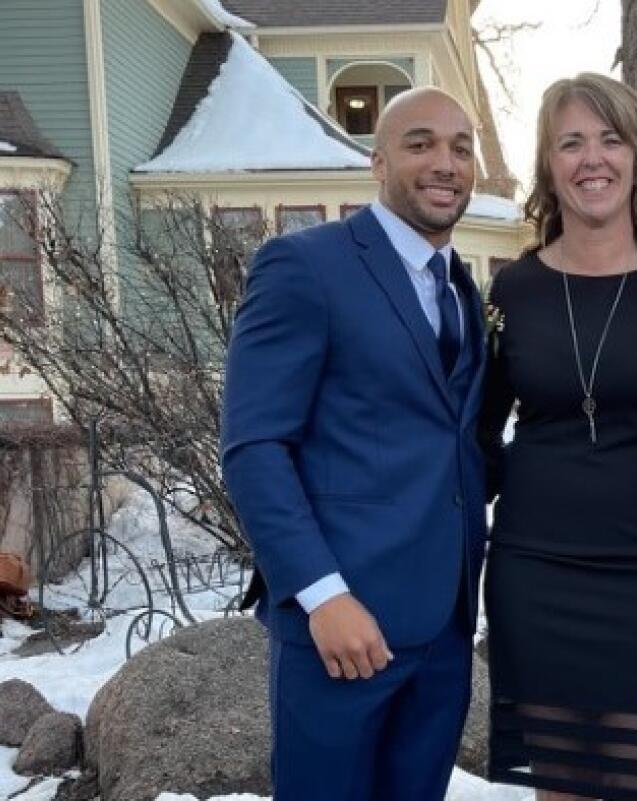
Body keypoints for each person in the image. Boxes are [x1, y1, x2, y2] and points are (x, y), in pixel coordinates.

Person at [477, 73, 637, 801]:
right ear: (549, 165)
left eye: (610, 138)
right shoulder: (515, 290)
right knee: (560, 782)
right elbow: (475, 435)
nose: (592, 158)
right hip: (537, 569)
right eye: (571, 142)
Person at [221, 87, 487, 801]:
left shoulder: (462, 287)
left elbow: (453, 446)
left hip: (444, 632)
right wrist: (321, 595)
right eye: (421, 142)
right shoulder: (306, 266)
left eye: (462, 147)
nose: (446, 162)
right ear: (377, 161)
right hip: (342, 630)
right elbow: (254, 447)